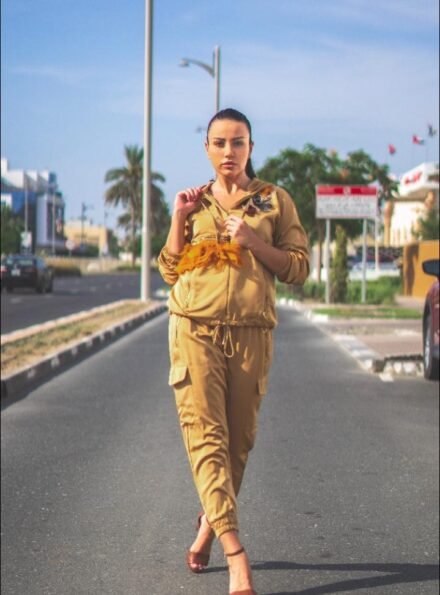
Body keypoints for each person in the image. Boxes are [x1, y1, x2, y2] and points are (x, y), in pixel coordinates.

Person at [158, 108, 309, 595]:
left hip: (250, 332)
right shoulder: (194, 202)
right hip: (193, 327)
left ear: (250, 146)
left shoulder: (273, 201)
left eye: (237, 142)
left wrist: (250, 241)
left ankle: (207, 527)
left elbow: (298, 268)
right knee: (206, 438)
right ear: (206, 148)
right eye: (219, 142)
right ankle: (236, 554)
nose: (228, 151)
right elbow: (168, 269)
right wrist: (179, 218)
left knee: (237, 444)